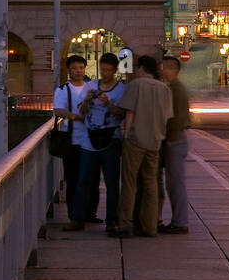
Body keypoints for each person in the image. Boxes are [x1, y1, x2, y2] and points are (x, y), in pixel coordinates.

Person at [111, 55, 174, 238]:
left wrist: (126, 132)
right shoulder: (164, 88)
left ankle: (124, 223)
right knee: (151, 182)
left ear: (142, 68)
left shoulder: (136, 85)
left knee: (130, 182)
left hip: (136, 139)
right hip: (155, 141)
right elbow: (167, 117)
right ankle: (150, 226)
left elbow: (130, 112)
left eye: (138, 67)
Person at [70, 53, 124, 232]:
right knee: (84, 179)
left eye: (109, 70)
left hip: (111, 139)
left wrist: (108, 104)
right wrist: (87, 99)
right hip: (89, 139)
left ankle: (112, 221)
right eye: (103, 69)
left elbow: (120, 115)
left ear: (115, 70)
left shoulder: (121, 89)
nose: (105, 73)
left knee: (112, 182)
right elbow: (82, 111)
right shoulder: (91, 85)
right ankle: (78, 219)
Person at [54, 55, 97, 228]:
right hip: (71, 140)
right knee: (73, 179)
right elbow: (58, 110)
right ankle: (74, 214)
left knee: (91, 179)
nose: (78, 71)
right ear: (69, 70)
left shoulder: (91, 88)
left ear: (85, 68)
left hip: (90, 140)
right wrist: (76, 117)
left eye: (81, 67)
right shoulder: (64, 89)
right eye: (74, 68)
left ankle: (90, 213)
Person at [157, 56, 192, 234]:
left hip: (175, 140)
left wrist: (170, 139)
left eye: (169, 67)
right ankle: (177, 220)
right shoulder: (169, 87)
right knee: (171, 182)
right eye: (163, 67)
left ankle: (180, 222)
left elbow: (177, 118)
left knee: (175, 182)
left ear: (176, 70)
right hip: (171, 139)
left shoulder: (176, 89)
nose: (165, 70)